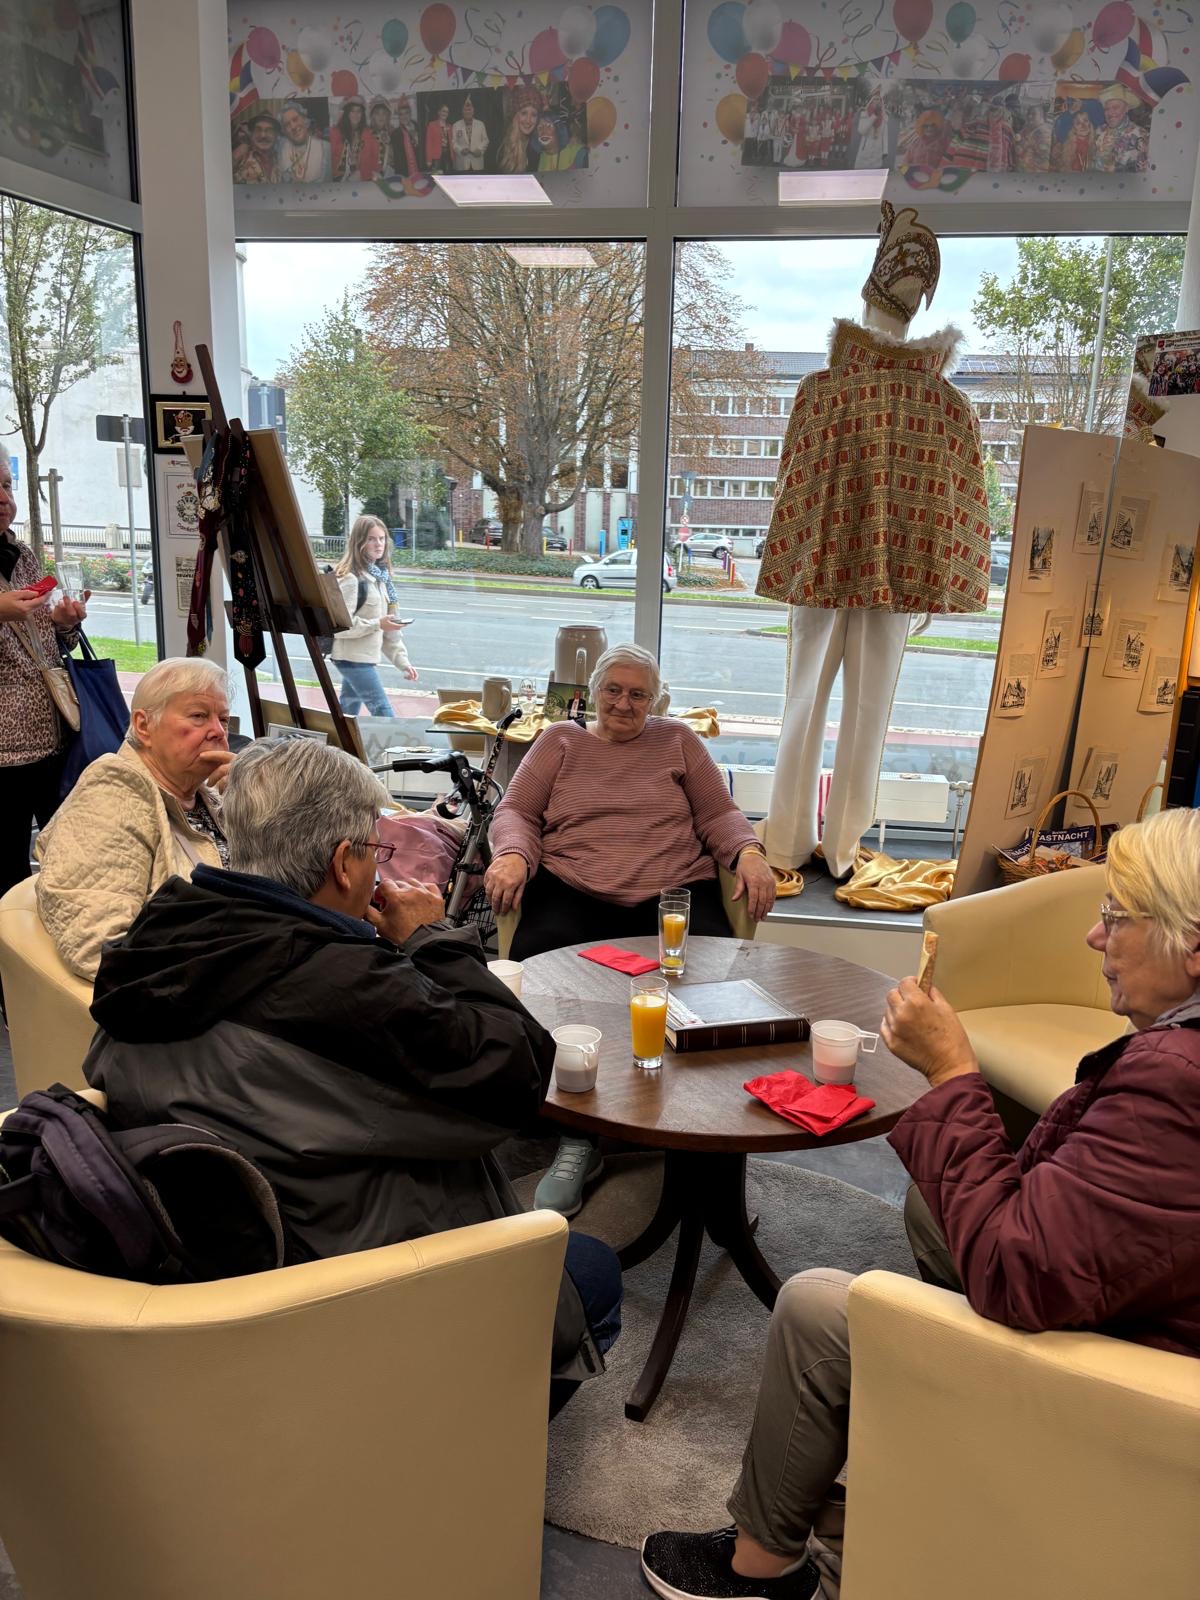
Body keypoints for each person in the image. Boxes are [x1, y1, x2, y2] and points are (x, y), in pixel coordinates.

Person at [641, 806, 1200, 1600]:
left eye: (1116, 916)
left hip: (1130, 1387)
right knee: (931, 1210)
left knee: (816, 1309)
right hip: (1140, 1308)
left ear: (1193, 945)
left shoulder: (1174, 1084)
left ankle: (761, 1569)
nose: (1092, 936)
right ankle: (939, 1420)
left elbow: (1018, 1272)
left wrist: (952, 1074)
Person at [83, 737, 622, 1413]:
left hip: (224, 1259)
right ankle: (464, 1446)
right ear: (344, 863)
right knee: (591, 1273)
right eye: (375, 850)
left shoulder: (156, 943)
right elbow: (518, 1075)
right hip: (350, 1293)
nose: (378, 868)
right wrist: (430, 941)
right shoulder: (349, 986)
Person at [485, 643, 777, 1215]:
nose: (623, 703)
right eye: (613, 690)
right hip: (574, 887)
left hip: (672, 893)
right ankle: (578, 1135)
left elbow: (719, 813)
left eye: (638, 694)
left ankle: (695, 1118)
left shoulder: (678, 740)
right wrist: (514, 854)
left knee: (708, 989)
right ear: (593, 691)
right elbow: (516, 811)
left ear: (655, 700)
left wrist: (748, 852)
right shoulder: (559, 741)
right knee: (551, 986)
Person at [34, 656, 232, 980]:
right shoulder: (113, 790)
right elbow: (100, 946)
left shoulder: (213, 793)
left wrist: (254, 798)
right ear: (143, 726)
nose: (218, 731)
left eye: (224, 719)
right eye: (199, 716)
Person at [0, 440, 89, 903]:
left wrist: (63, 624)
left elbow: (48, 646)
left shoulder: (23, 555)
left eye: (7, 485)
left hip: (53, 735)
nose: (3, 498)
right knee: (9, 875)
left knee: (65, 855)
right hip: (4, 754)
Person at [330, 515, 417, 719]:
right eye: (371, 539)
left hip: (361, 659)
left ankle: (338, 740)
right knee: (383, 712)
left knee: (347, 714)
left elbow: (389, 631)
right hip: (351, 659)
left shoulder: (381, 579)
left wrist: (403, 663)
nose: (378, 544)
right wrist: (378, 624)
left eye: (382, 538)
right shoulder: (351, 579)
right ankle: (396, 741)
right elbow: (341, 627)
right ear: (359, 543)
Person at [330, 96, 380, 182]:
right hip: (338, 180)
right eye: (352, 111)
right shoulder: (335, 132)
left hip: (363, 179)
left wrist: (371, 175)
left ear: (362, 114)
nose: (355, 114)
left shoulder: (369, 133)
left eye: (359, 111)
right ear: (347, 113)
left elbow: (375, 158)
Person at [279, 101, 331, 183]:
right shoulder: (280, 151)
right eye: (287, 125)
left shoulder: (326, 148)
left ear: (305, 120)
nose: (293, 126)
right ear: (284, 131)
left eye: (295, 119)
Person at [497, 86, 542, 173]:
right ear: (516, 115)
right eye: (524, 113)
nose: (528, 120)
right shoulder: (503, 148)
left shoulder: (538, 148)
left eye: (533, 115)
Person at [235, 110, 281, 182]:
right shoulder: (241, 156)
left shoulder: (282, 159)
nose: (263, 136)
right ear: (252, 134)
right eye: (258, 130)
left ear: (276, 135)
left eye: (269, 130)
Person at [452, 96, 488, 172]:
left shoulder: (480, 124)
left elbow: (485, 140)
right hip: (462, 163)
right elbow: (453, 142)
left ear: (473, 111)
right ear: (462, 111)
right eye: (465, 110)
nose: (467, 112)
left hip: (477, 162)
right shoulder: (456, 125)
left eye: (469, 110)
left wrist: (480, 150)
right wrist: (461, 150)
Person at [425, 101, 452, 172]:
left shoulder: (450, 126)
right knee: (437, 176)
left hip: (448, 157)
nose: (445, 113)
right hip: (436, 157)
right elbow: (429, 144)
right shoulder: (432, 125)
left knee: (448, 176)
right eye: (443, 111)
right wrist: (429, 159)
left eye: (447, 112)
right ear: (439, 112)